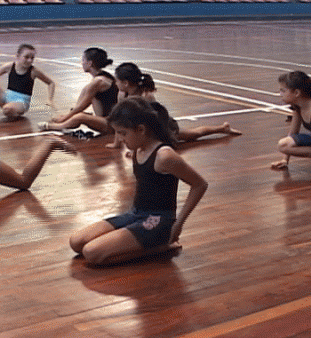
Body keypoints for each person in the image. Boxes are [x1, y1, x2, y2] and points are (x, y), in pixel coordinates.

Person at [69, 98, 208, 266]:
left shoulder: (164, 156)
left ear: (141, 130)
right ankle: (141, 242)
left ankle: (160, 247)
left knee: (92, 253)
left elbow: (200, 185)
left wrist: (178, 225)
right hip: (135, 214)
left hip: (158, 222)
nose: (119, 139)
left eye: (123, 133)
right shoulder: (137, 150)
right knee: (76, 242)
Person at [110, 62, 241, 146]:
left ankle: (223, 128)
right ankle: (223, 128)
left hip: (163, 124)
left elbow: (156, 120)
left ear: (126, 83)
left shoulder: (146, 97)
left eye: (117, 81)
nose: (115, 84)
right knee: (192, 134)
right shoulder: (122, 95)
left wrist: (164, 140)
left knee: (193, 135)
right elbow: (119, 121)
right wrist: (116, 144)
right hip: (144, 127)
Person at [38, 47, 118, 134]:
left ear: (90, 63)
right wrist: (69, 116)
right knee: (86, 91)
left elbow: (82, 106)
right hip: (106, 119)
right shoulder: (103, 77)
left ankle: (54, 126)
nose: (82, 63)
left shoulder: (98, 81)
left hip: (111, 125)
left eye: (83, 60)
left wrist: (64, 118)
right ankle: (71, 119)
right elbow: (81, 103)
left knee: (80, 116)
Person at [0, 44, 55, 120]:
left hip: (21, 102)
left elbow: (51, 83)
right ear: (18, 56)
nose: (30, 60)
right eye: (26, 57)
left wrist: (50, 100)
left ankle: (13, 111)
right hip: (7, 97)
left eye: (32, 58)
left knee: (7, 110)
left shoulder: (33, 71)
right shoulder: (10, 66)